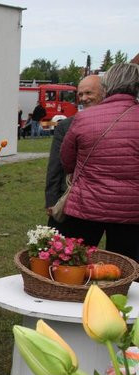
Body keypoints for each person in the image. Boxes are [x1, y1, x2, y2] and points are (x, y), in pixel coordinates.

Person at [60, 63, 139, 261]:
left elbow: (67, 160)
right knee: (127, 267)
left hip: (86, 205)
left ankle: (75, 292)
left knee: (76, 262)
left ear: (107, 86)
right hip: (131, 208)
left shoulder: (84, 118)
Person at [44, 75, 104, 230]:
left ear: (105, 93)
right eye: (80, 94)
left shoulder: (120, 123)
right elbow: (55, 167)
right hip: (73, 201)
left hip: (111, 203)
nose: (83, 98)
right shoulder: (66, 126)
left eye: (89, 93)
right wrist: (52, 201)